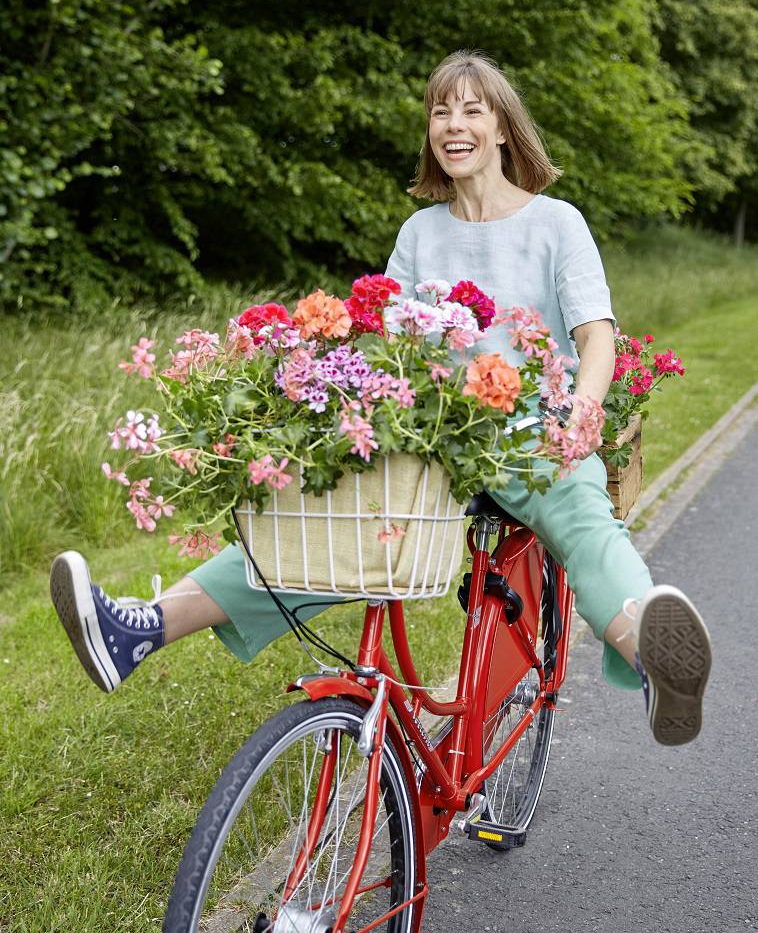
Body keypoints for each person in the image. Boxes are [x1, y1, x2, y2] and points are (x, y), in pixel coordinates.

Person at [50, 49, 712, 746]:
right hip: (433, 437)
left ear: (504, 129)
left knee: (582, 520)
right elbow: (383, 344)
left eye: (471, 110)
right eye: (439, 111)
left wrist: (582, 408)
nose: (453, 125)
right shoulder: (420, 233)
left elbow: (596, 335)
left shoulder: (556, 223)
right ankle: (137, 631)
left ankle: (653, 660)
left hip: (532, 435)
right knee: (326, 525)